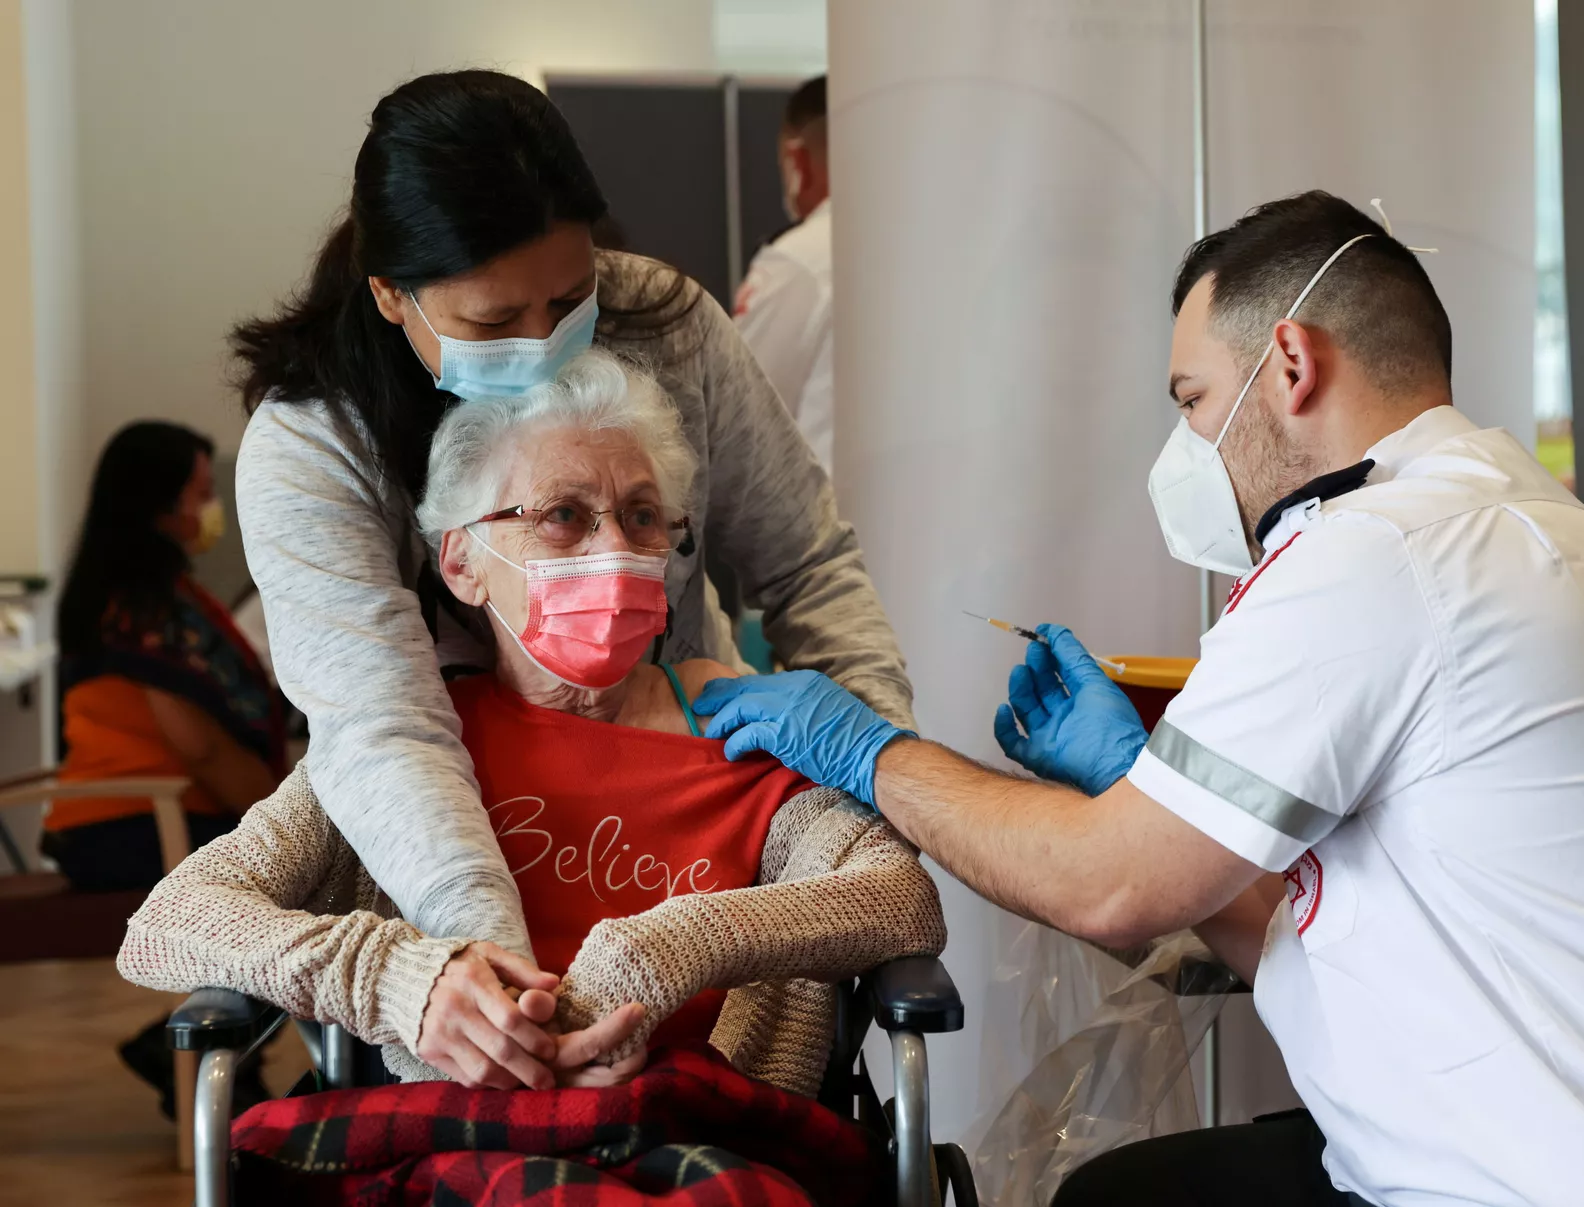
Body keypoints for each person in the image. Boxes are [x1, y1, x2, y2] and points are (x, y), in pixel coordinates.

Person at [694, 191, 1584, 1205]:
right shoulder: (1566, 543)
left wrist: (864, 746)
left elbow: (1109, 887)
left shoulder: (1374, 553)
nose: (1184, 449)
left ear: (1288, 363)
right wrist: (1138, 785)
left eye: (1190, 401)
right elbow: (1329, 917)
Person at [229, 70, 912, 1050]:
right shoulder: (316, 440)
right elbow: (381, 725)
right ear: (390, 293)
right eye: (492, 324)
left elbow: (806, 562)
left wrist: (871, 765)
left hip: (682, 798)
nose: (543, 344)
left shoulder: (667, 324)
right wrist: (503, 991)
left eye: (569, 299)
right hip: (450, 864)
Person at [121, 351, 944, 1110]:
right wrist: (405, 977)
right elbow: (172, 919)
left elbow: (900, 898)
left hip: (702, 1130)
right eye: (563, 514)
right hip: (464, 1140)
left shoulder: (745, 728)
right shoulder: (412, 759)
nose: (615, 547)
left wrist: (673, 945)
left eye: (642, 515)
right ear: (462, 563)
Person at [47, 420, 285, 1116]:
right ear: (158, 500)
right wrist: (279, 815)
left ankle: (218, 1053)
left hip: (132, 818)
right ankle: (203, 1050)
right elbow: (199, 745)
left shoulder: (138, 594)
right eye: (201, 493)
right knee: (300, 879)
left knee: (300, 878)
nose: (211, 509)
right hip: (128, 823)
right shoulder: (145, 608)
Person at [732, 74, 835, 473]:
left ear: (798, 161)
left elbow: (740, 408)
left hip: (830, 501)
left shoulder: (799, 261)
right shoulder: (944, 246)